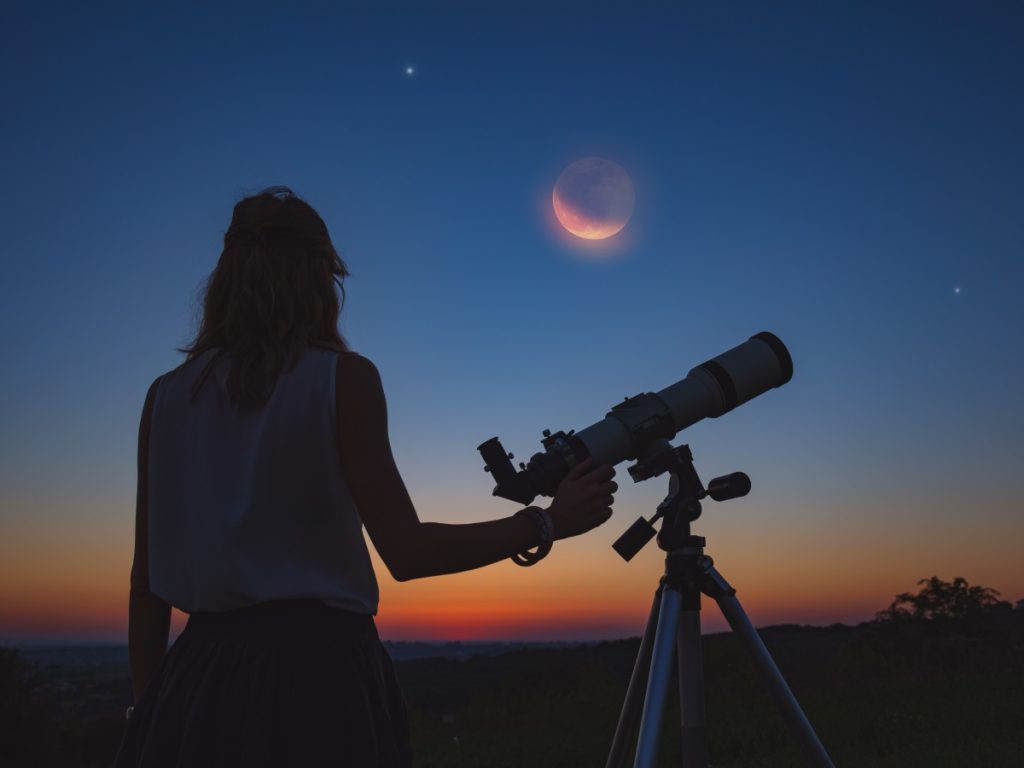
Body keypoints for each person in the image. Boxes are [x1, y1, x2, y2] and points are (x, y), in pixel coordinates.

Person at [113, 186, 618, 767]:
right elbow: (407, 552)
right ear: (320, 280)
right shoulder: (342, 379)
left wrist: (147, 712)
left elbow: (145, 582)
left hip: (197, 677)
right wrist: (547, 522)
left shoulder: (167, 395)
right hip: (318, 677)